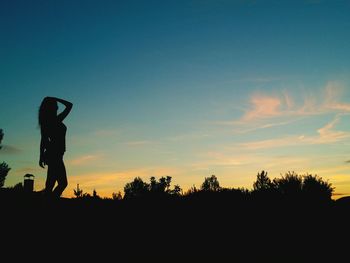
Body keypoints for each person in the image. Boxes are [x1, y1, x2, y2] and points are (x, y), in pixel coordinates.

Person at [38, 97, 73, 198]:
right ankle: (50, 203)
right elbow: (70, 105)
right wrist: (55, 98)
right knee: (62, 183)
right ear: (51, 108)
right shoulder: (55, 120)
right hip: (55, 155)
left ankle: (48, 203)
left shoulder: (47, 122)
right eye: (56, 106)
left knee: (50, 184)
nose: (58, 108)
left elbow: (43, 140)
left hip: (53, 154)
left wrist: (41, 156)